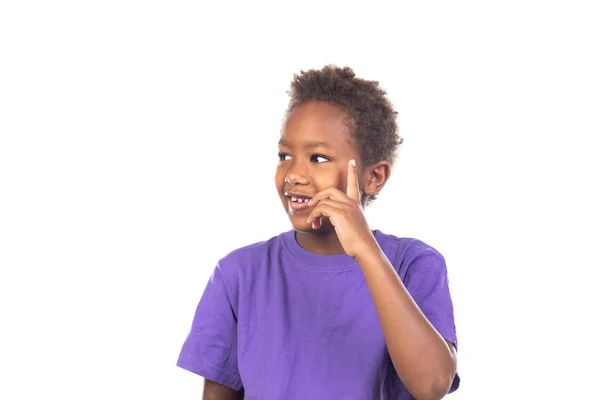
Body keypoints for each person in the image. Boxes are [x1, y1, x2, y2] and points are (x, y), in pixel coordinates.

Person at [176, 65, 460, 399]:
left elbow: (432, 385)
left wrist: (366, 251)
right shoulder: (238, 274)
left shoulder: (414, 263)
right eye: (285, 155)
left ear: (375, 176)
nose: (294, 173)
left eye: (318, 158)